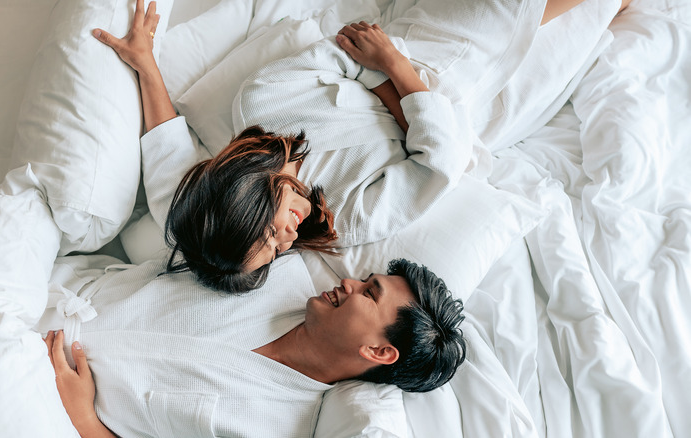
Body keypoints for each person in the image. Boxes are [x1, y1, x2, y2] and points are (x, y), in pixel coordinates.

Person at [92, 0, 629, 294]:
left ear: (244, 188)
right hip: (464, 99)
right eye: (278, 251)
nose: (286, 239)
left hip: (420, 47)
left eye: (269, 231)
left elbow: (345, 53)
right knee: (565, 22)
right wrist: (396, 80)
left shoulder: (260, 100)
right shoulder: (342, 221)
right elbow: (442, 164)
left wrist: (146, 63)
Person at [45, 257, 466, 437]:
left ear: (378, 351)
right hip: (52, 282)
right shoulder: (279, 268)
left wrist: (82, 417)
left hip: (43, 404)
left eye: (369, 293)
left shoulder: (275, 428)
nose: (351, 282)